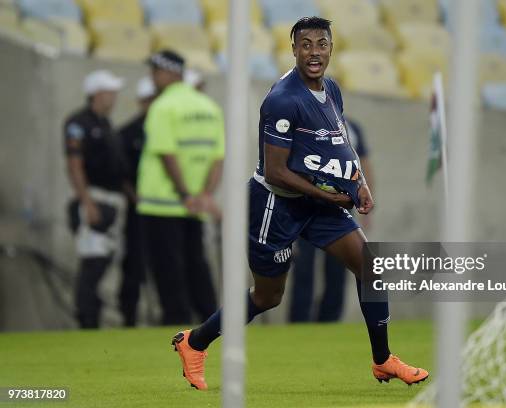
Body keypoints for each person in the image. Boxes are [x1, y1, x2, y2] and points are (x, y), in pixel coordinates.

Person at [171, 17, 428, 390]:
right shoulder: (282, 100)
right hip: (275, 206)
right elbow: (276, 171)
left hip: (316, 202)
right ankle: (194, 343)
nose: (314, 53)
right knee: (268, 296)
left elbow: (341, 142)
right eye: (305, 45)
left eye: (321, 44)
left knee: (371, 267)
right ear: (293, 50)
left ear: (331, 48)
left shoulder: (333, 90)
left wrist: (360, 183)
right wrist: (330, 197)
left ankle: (382, 360)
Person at [137, 50, 224, 325]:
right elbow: (217, 158)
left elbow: (166, 153)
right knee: (196, 266)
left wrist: (185, 194)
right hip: (195, 205)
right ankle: (211, 323)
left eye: (155, 71)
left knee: (168, 270)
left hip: (162, 204)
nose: (152, 78)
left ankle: (177, 326)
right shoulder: (209, 108)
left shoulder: (162, 107)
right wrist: (205, 195)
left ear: (169, 72)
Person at [289, 117, 374, 322]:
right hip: (306, 205)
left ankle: (330, 320)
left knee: (339, 268)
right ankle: (299, 320)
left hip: (341, 206)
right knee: (303, 267)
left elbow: (364, 165)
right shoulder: (302, 123)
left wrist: (367, 201)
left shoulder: (351, 128)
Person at [64, 69, 127, 328]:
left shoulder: (105, 123)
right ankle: (86, 320)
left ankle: (94, 319)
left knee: (104, 261)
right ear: (97, 94)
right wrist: (87, 202)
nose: (113, 97)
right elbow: (74, 164)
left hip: (112, 201)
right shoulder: (78, 123)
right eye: (110, 92)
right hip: (95, 199)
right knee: (93, 262)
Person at [116, 77, 156, 327]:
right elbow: (121, 175)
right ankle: (128, 316)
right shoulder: (127, 132)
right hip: (138, 210)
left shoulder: (164, 127)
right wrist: (136, 199)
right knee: (134, 263)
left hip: (163, 209)